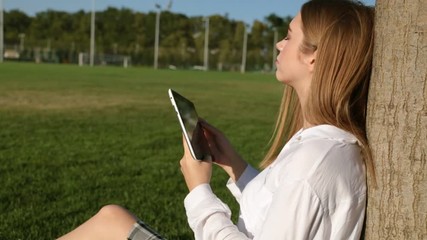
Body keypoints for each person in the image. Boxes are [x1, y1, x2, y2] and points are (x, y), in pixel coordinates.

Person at [58, 0, 375, 239]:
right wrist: (233, 163)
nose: (280, 43)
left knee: (110, 225)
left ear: (313, 56)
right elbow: (276, 209)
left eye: (289, 36)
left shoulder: (315, 160)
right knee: (112, 218)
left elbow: (297, 192)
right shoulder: (321, 143)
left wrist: (199, 191)